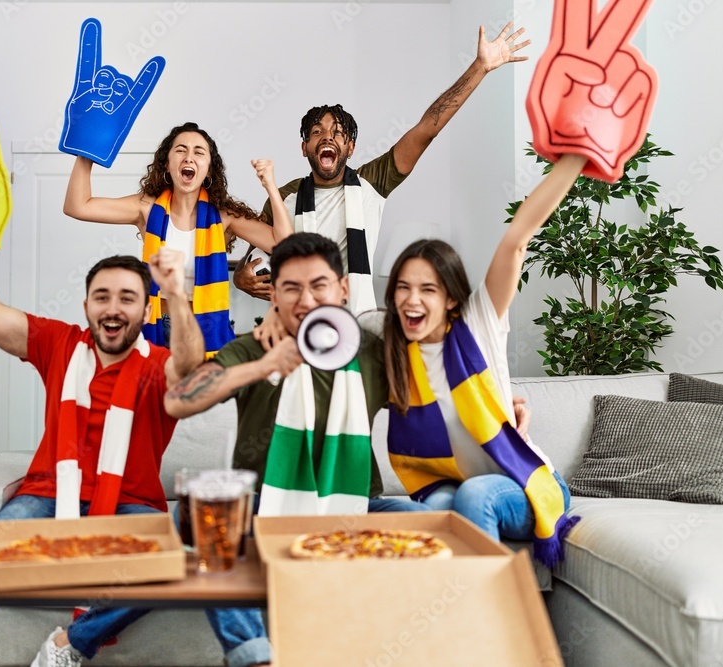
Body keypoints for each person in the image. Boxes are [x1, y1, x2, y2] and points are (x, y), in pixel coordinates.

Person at [0, 248, 271, 667]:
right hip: (44, 497)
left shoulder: (159, 366)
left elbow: (189, 361)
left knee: (163, 567)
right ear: (86, 306)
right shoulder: (59, 343)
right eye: (102, 296)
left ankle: (71, 640)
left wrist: (177, 294)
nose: (113, 307)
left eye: (127, 298)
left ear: (147, 312)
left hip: (132, 505)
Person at [234, 22, 530, 315]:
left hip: (358, 324)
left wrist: (480, 67)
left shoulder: (372, 181)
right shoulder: (284, 196)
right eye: (316, 133)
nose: (327, 137)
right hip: (297, 326)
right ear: (304, 148)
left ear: (350, 148)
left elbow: (427, 128)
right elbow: (254, 259)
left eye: (338, 133)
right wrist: (240, 279)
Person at [382, 153, 588, 569]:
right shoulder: (387, 342)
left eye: (427, 289)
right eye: (403, 288)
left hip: (523, 486)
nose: (412, 299)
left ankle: (484, 618)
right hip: (451, 485)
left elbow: (518, 238)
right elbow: (324, 323)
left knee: (472, 497)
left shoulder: (477, 323)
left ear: (452, 299)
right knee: (431, 510)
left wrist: (576, 158)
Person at [166, 232, 429, 515]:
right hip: (266, 503)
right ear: (275, 295)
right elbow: (179, 402)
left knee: (422, 519)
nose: (306, 301)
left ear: (343, 289)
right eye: (292, 288)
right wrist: (264, 367)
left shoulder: (371, 348)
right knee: (190, 518)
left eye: (319, 286)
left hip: (355, 503)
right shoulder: (254, 348)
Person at [64, 121, 291, 356]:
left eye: (199, 152)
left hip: (204, 329)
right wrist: (86, 150)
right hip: (157, 326)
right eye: (180, 150)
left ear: (209, 170)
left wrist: (271, 187)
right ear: (167, 164)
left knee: (201, 393)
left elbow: (285, 245)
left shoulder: (224, 217)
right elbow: (78, 206)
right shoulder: (147, 208)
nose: (189, 157)